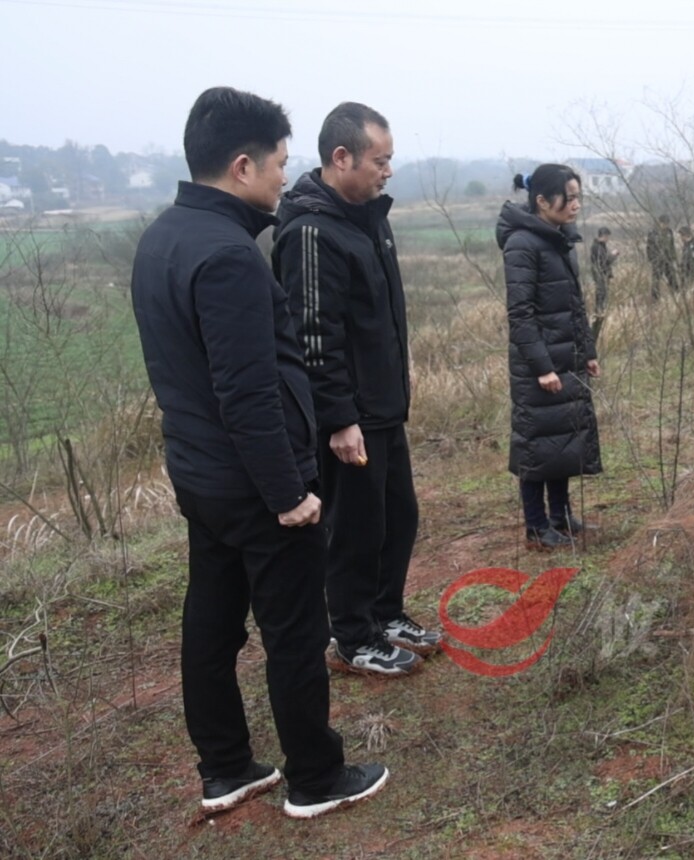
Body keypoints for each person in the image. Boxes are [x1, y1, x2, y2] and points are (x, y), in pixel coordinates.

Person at [130, 86, 387, 819]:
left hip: (199, 476)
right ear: (241, 166)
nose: (284, 176)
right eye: (277, 163)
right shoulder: (229, 257)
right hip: (254, 484)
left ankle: (226, 767)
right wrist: (288, 493)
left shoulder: (163, 238)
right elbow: (245, 393)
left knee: (210, 622)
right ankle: (315, 777)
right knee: (295, 631)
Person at [272, 102, 439, 679]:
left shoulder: (368, 217)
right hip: (353, 418)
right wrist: (339, 417)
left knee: (399, 516)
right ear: (340, 158)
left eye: (390, 159)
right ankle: (353, 635)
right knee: (356, 529)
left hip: (384, 407)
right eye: (379, 160)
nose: (387, 171)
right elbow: (314, 336)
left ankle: (386, 613)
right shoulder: (313, 232)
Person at [497, 164, 603, 550]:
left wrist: (587, 351)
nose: (575, 205)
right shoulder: (522, 244)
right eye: (568, 197)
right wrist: (542, 367)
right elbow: (520, 314)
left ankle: (560, 516)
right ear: (542, 200)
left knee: (563, 441)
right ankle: (536, 526)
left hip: (567, 358)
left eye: (578, 197)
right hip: (538, 365)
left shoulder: (560, 239)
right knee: (537, 442)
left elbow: (574, 304)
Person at [588, 225, 618, 340]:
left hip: (602, 273)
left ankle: (601, 311)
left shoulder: (600, 246)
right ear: (603, 236)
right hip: (600, 274)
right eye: (607, 236)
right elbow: (604, 261)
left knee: (603, 293)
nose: (608, 239)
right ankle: (599, 312)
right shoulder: (597, 247)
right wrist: (613, 255)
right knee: (601, 293)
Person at [645, 213, 678, 299]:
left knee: (672, 277)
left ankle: (676, 294)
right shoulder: (653, 233)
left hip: (668, 259)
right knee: (656, 280)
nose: (665, 225)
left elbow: (672, 245)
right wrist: (652, 260)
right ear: (659, 223)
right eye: (663, 223)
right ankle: (655, 298)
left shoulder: (669, 232)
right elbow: (649, 248)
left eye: (667, 223)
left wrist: (673, 257)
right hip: (657, 260)